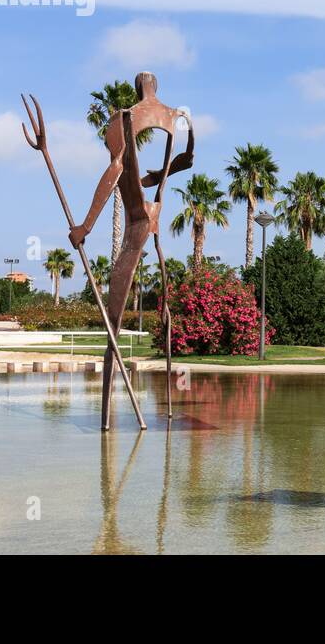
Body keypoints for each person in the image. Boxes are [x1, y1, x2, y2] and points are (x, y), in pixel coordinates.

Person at [72, 72, 193, 424]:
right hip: (156, 221)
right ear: (157, 87)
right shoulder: (179, 117)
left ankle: (107, 415)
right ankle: (168, 407)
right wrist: (154, 178)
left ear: (137, 87)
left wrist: (87, 225)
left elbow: (115, 169)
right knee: (165, 307)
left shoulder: (125, 119)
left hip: (138, 224)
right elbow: (187, 161)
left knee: (115, 314)